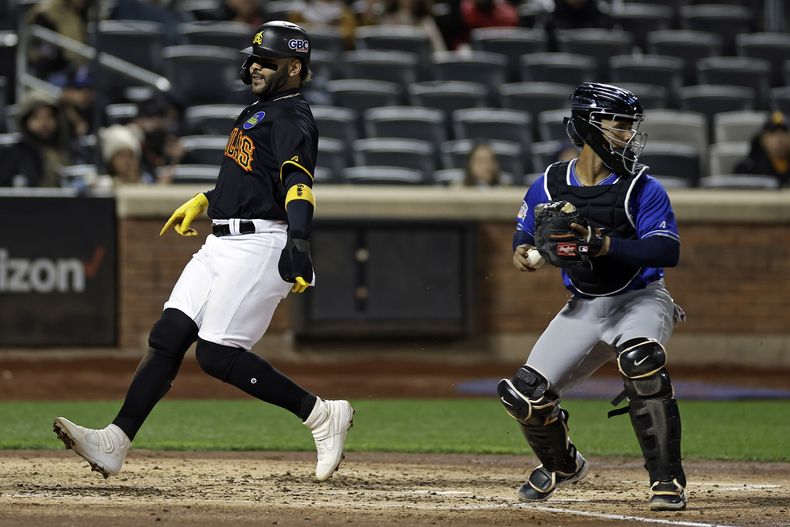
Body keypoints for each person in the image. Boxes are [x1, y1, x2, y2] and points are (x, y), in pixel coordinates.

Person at [53, 21, 355, 483]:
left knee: (215, 354)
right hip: (223, 241)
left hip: (262, 241)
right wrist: (207, 201)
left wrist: (299, 240)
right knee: (169, 334)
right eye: (253, 58)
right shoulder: (260, 109)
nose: (254, 66)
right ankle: (115, 441)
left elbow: (298, 184)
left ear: (294, 68)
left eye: (266, 61)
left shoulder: (292, 116)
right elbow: (251, 179)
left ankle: (320, 414)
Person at [500, 83, 687, 511]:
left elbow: (666, 250)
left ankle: (667, 480)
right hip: (585, 305)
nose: (627, 134)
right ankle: (562, 464)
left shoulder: (643, 187)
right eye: (619, 124)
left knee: (641, 361)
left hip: (641, 298)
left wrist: (604, 246)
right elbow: (523, 236)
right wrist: (525, 255)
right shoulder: (549, 182)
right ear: (589, 125)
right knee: (523, 394)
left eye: (628, 125)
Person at [0, 91, 69, 187]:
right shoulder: (13, 153)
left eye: (49, 116)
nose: (44, 123)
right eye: (36, 117)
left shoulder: (65, 149)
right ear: (25, 121)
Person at [733, 111, 790, 188]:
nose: (779, 140)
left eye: (783, 133)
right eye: (772, 134)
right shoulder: (747, 169)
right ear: (763, 139)